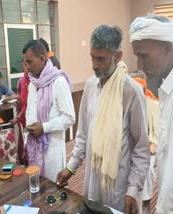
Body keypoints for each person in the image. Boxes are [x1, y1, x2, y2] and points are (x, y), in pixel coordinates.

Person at [56, 25, 150, 213]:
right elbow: (82, 135)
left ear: (118, 56)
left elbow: (141, 148)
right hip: (92, 180)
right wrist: (71, 167)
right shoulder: (91, 86)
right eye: (92, 57)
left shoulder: (131, 91)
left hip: (119, 186)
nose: (95, 65)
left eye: (101, 59)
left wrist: (133, 189)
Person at [129, 15, 173, 214]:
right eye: (137, 56)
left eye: (144, 56)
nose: (139, 65)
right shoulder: (165, 88)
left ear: (169, 48)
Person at [23, 39, 75, 182]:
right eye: (25, 63)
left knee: (53, 194)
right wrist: (27, 143)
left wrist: (44, 128)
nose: (26, 67)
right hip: (34, 149)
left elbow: (70, 118)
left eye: (29, 62)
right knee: (36, 190)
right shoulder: (33, 83)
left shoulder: (58, 82)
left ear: (41, 59)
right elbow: (30, 116)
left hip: (51, 151)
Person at [131, 77, 158, 214]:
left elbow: (157, 132)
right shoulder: (127, 103)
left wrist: (153, 145)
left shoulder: (152, 103)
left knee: (146, 171)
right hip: (131, 148)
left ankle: (146, 202)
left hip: (148, 148)